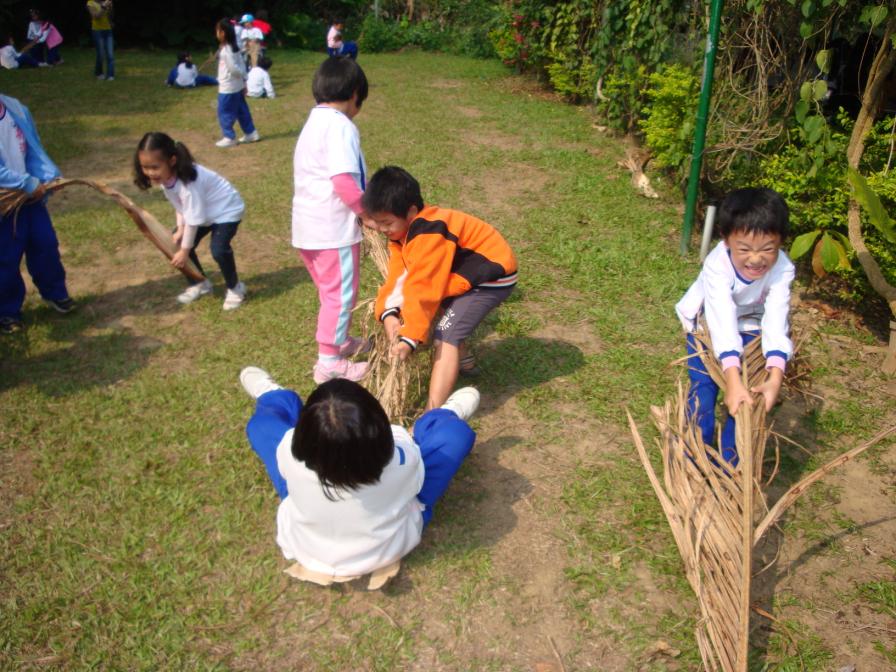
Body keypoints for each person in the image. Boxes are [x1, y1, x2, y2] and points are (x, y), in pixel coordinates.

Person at [239, 365, 480, 579]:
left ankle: (272, 395)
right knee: (453, 436)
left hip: (308, 547)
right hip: (388, 547)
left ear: (303, 436)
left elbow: (283, 444)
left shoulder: (289, 452)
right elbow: (404, 443)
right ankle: (446, 414)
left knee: (262, 426)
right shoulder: (401, 462)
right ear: (381, 431)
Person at [363, 166, 518, 411]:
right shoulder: (402, 234)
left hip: (490, 279)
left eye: (387, 223)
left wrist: (409, 337)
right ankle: (465, 361)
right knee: (449, 314)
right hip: (461, 274)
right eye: (378, 223)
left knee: (446, 336)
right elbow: (399, 277)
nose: (382, 229)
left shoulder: (429, 233)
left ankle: (431, 414)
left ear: (411, 211)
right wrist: (389, 313)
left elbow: (423, 287)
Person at [675, 187, 794, 466]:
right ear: (726, 240)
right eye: (745, 249)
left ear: (780, 242)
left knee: (745, 400)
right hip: (706, 327)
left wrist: (775, 376)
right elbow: (722, 317)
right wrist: (732, 377)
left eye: (768, 249)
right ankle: (693, 457)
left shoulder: (783, 269)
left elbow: (777, 318)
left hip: (753, 329)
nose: (756, 259)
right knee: (703, 391)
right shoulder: (717, 265)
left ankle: (731, 467)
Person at [293, 57, 371, 383]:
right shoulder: (341, 126)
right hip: (333, 231)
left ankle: (340, 341)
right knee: (340, 297)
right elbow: (343, 181)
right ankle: (329, 363)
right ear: (354, 94)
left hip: (307, 229)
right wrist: (367, 214)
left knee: (330, 294)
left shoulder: (314, 121)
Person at [133, 132, 247, 310]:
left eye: (155, 167)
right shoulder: (167, 178)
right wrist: (180, 229)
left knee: (218, 250)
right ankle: (200, 283)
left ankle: (235, 288)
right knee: (177, 241)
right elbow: (181, 206)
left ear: (172, 161)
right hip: (204, 211)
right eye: (145, 167)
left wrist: (185, 252)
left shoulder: (188, 182)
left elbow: (193, 220)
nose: (150, 173)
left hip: (226, 210)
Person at [0, 94, 76, 334]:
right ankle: (7, 311)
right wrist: (24, 182)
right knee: (6, 257)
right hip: (4, 204)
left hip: (29, 200)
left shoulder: (15, 108)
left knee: (45, 243)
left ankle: (55, 292)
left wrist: (47, 176)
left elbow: (33, 150)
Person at [214, 18, 259, 148]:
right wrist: (244, 80)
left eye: (217, 31)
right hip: (237, 86)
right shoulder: (234, 48)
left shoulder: (226, 51)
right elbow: (241, 65)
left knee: (224, 112)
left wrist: (242, 76)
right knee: (241, 110)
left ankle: (229, 137)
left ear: (223, 33)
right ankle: (251, 132)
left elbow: (233, 69)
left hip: (228, 88)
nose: (216, 33)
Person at [86, 0, 114, 80]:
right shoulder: (90, 3)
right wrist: (103, 7)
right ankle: (99, 72)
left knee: (110, 54)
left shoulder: (106, 1)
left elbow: (110, 16)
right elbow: (95, 16)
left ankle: (110, 75)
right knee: (101, 54)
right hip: (97, 31)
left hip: (108, 30)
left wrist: (110, 8)